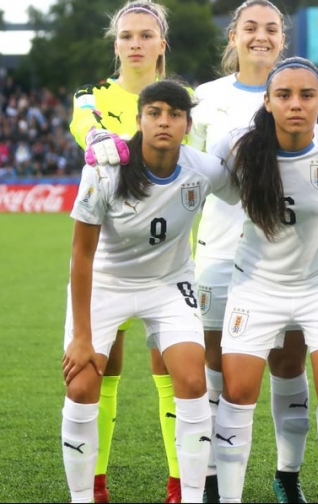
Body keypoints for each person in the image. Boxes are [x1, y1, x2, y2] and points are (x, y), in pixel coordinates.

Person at [211, 57, 318, 504]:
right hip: (257, 285)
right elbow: (195, 175)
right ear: (266, 102)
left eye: (307, 95)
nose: (296, 104)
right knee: (238, 391)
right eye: (283, 95)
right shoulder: (237, 147)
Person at [61, 80, 233, 504]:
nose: (164, 122)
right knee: (81, 387)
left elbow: (250, 194)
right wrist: (81, 338)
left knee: (193, 380)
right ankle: (83, 497)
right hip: (106, 282)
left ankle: (191, 495)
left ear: (187, 125)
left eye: (174, 115)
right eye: (154, 113)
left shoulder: (204, 169)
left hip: (169, 285)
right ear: (138, 120)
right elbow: (81, 256)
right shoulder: (104, 169)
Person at [189, 0, 310, 504]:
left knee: (287, 365)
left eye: (272, 29)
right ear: (234, 36)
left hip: (289, 259)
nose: (261, 36)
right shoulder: (206, 98)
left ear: (284, 39)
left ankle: (287, 478)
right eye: (251, 27)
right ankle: (214, 481)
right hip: (220, 254)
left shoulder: (303, 91)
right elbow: (187, 178)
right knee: (217, 373)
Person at [67, 0, 184, 503]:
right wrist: (99, 139)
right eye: (126, 36)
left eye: (145, 35)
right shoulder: (90, 97)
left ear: (163, 43)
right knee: (99, 367)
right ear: (115, 45)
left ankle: (181, 482)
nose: (135, 44)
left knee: (172, 372)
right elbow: (86, 128)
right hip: (109, 260)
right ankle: (95, 484)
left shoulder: (183, 99)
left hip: (169, 260)